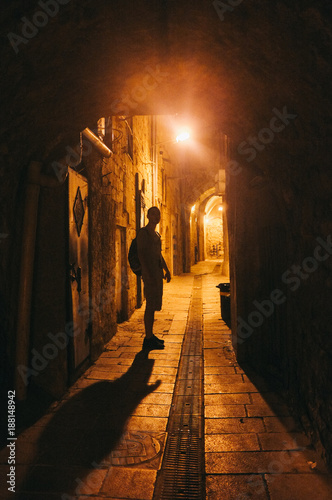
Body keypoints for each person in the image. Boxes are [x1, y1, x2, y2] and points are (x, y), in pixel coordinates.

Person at [137, 206, 171, 350]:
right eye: (154, 214)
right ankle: (148, 338)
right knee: (150, 306)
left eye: (158, 214)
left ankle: (150, 335)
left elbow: (159, 255)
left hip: (157, 275)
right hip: (150, 275)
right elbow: (141, 255)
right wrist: (146, 275)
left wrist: (166, 269)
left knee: (154, 305)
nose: (157, 216)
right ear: (148, 215)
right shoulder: (143, 233)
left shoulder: (157, 235)